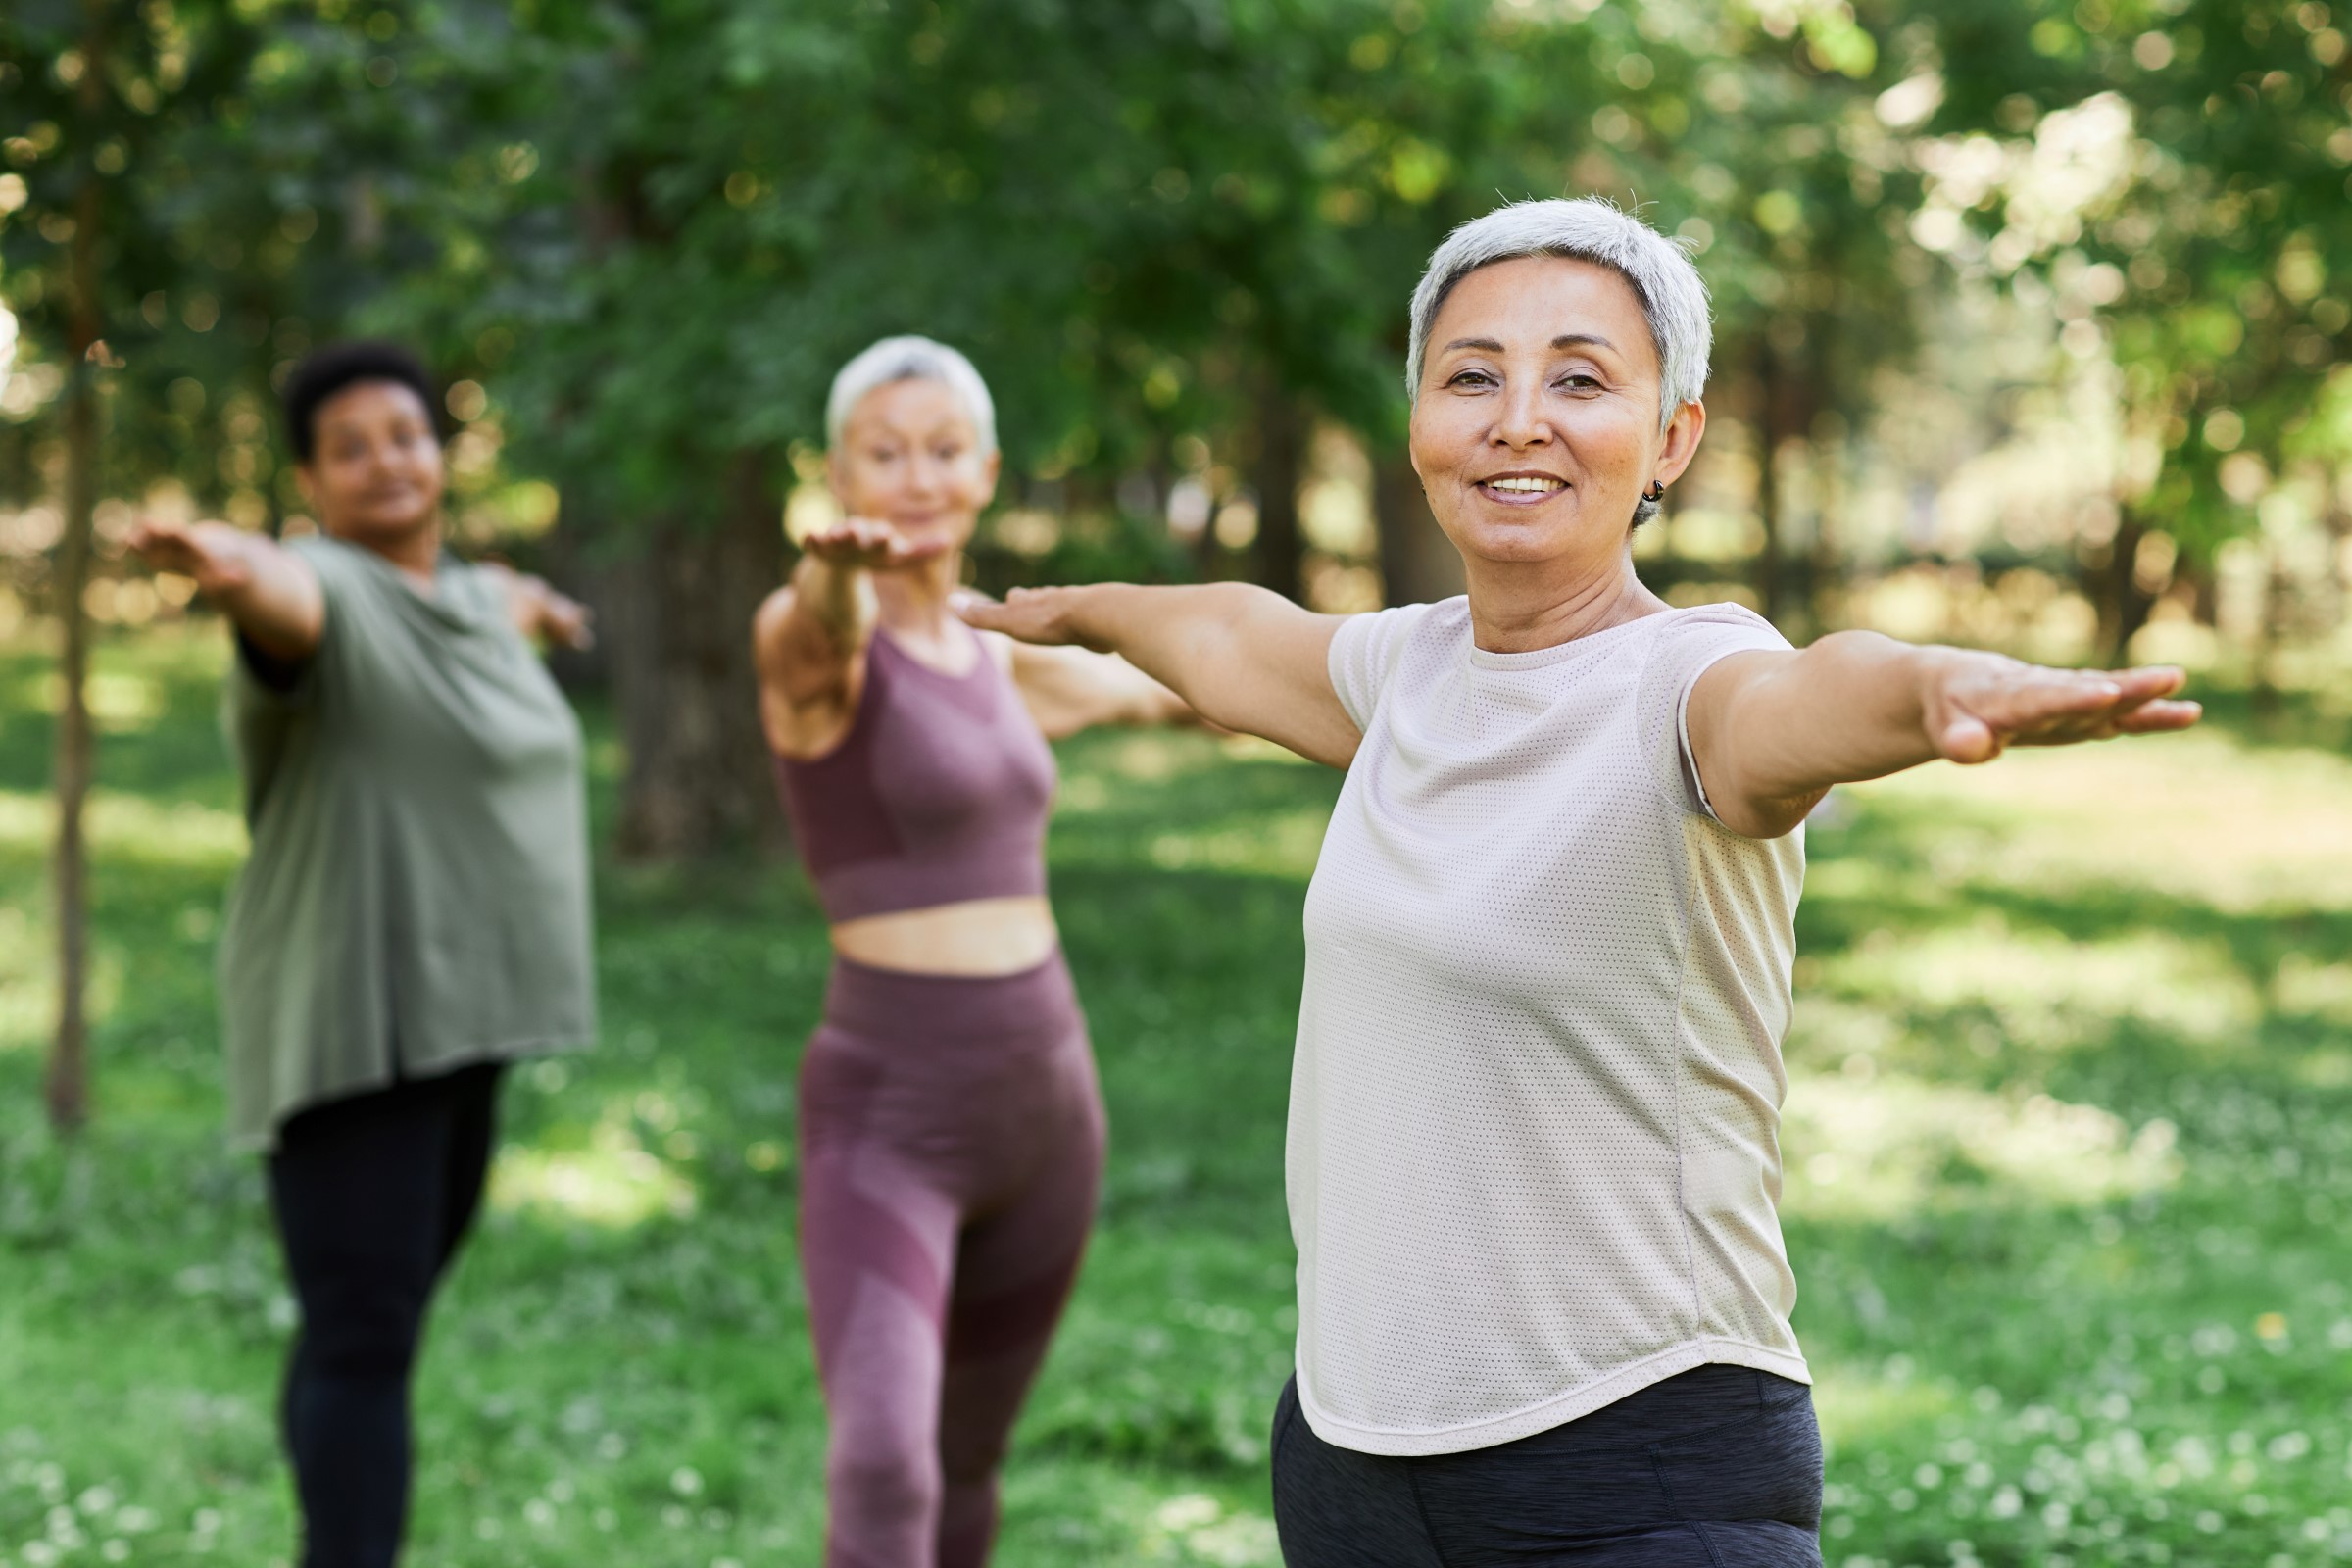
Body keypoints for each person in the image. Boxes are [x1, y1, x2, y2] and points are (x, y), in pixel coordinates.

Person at [960, 199, 2200, 1566]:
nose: (1518, 418)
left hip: (1634, 1459)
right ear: (1419, 421)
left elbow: (1809, 696)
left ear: (1672, 437)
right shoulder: (1411, 672)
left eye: (1581, 379)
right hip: (1350, 1457)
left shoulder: (1689, 685)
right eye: (1472, 375)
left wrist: (1934, 688)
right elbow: (1232, 635)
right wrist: (1085, 610)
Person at [126, 343, 597, 1568]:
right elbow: (286, 601)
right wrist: (230, 571)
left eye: (404, 433)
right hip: (353, 1015)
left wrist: (540, 603)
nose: (384, 459)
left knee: (365, 1327)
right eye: (350, 446)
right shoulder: (317, 590)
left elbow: (503, 598)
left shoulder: (476, 597)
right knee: (363, 1338)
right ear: (311, 480)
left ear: (442, 454)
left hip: (464, 1015)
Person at [754, 335, 1199, 1568]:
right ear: (837, 473)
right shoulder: (815, 641)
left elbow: (1182, 691)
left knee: (966, 1469)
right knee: (883, 1464)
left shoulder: (1005, 660)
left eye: (943, 450)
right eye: (882, 452)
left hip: (1047, 1106)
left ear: (987, 470)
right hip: (890, 1111)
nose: (915, 475)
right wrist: (833, 580)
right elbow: (817, 632)